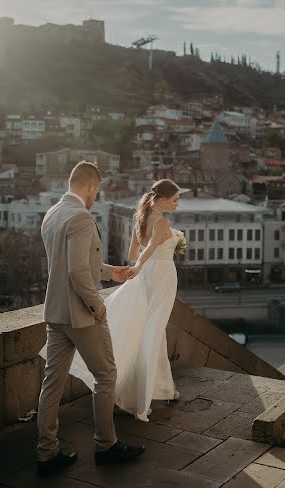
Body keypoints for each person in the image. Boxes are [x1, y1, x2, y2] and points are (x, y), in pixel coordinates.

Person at [37, 161, 145, 477]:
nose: (96, 196)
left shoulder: (53, 214)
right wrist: (97, 304)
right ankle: (106, 445)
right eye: (96, 190)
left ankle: (46, 453)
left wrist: (113, 273)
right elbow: (77, 271)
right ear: (90, 186)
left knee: (51, 384)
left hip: (55, 313)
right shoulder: (81, 218)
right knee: (106, 374)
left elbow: (75, 264)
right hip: (80, 316)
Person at [67, 179, 181, 422]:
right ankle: (140, 398)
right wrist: (140, 266)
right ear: (161, 200)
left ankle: (163, 388)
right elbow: (149, 249)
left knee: (151, 331)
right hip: (161, 277)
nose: (177, 204)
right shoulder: (163, 222)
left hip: (146, 278)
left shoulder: (140, 218)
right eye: (174, 200)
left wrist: (139, 266)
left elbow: (132, 253)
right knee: (154, 332)